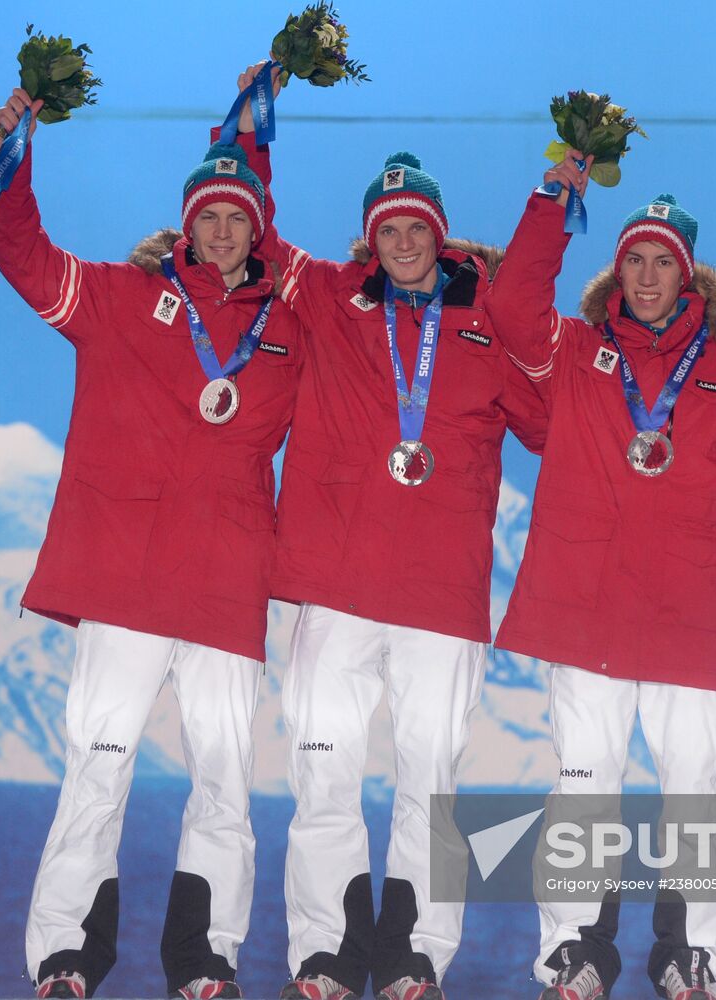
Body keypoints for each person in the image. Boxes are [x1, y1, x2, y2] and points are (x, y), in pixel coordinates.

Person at [227, 65, 548, 1000]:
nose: (403, 242)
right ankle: (325, 954)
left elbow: (564, 427)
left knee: (429, 787)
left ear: (438, 237)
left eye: (417, 228)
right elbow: (254, 225)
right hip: (334, 590)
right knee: (322, 779)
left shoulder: (486, 325)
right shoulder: (327, 297)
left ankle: (414, 957)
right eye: (388, 229)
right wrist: (252, 128)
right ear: (370, 240)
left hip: (441, 601)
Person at [0, 85, 301, 999]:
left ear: (258, 231)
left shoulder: (288, 333)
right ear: (185, 227)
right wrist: (6, 159)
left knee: (226, 783)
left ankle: (205, 963)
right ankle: (67, 957)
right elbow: (25, 257)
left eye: (240, 217)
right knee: (97, 768)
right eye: (210, 216)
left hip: (225, 584)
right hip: (125, 579)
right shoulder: (118, 299)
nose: (225, 231)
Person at [487, 150, 716, 1000]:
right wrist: (553, 199)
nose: (645, 277)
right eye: (633, 260)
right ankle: (575, 952)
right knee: (582, 791)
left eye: (662, 264)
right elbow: (508, 304)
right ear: (614, 269)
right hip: (588, 609)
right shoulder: (573, 354)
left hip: (684, 609)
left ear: (690, 280)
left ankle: (691, 955)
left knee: (694, 797)